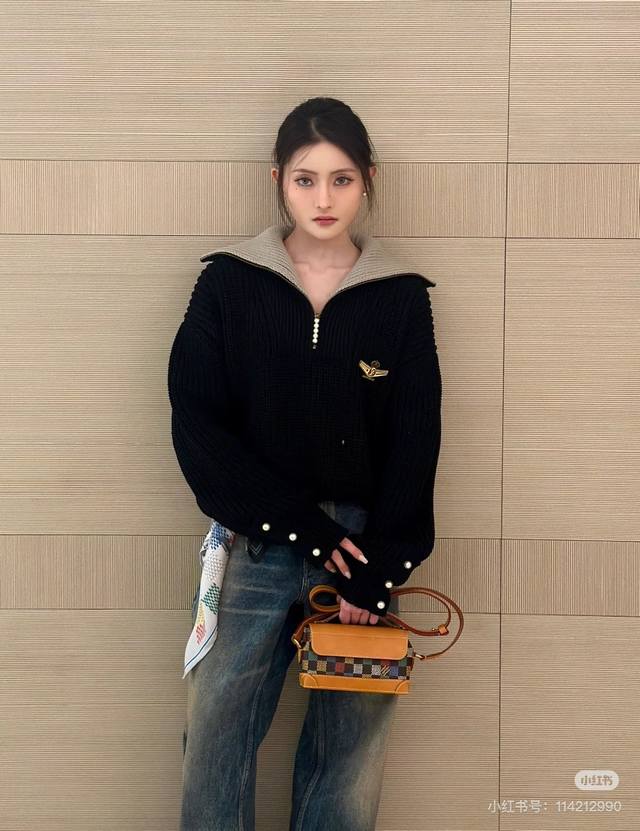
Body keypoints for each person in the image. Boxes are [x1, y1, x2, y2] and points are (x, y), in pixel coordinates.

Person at [168, 96, 442, 831]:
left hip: (361, 555)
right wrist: (298, 525)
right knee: (214, 747)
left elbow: (416, 441)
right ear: (278, 181)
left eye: (342, 179)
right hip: (251, 546)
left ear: (368, 180)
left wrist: (378, 566)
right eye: (305, 179)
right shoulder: (228, 284)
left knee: (346, 766)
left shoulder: (401, 299)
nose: (324, 198)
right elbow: (197, 424)